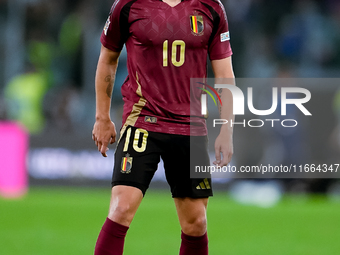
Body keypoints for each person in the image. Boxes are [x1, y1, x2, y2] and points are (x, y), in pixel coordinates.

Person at [92, 0, 235, 254]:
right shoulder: (128, 5)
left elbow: (224, 74)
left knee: (196, 223)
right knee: (121, 208)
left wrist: (227, 129)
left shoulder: (211, 7)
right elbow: (108, 57)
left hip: (190, 127)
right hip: (142, 120)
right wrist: (102, 117)